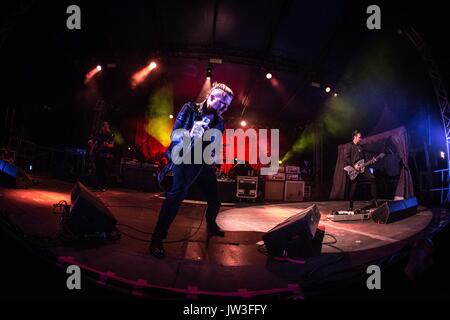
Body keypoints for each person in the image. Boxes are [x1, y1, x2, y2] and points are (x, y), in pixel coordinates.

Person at [150, 82, 234, 259]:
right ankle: (157, 239)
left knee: (215, 200)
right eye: (222, 102)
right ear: (211, 96)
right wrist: (189, 132)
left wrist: (213, 154)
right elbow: (174, 135)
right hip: (183, 156)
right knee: (175, 197)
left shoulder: (220, 121)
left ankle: (211, 226)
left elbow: (214, 144)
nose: (224, 107)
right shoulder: (190, 108)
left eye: (227, 105)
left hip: (202, 162)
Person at [345, 130, 378, 210]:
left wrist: (371, 161)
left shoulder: (361, 147)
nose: (361, 138)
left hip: (363, 168)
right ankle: (350, 206)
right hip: (354, 169)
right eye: (359, 137)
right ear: (355, 137)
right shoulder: (350, 145)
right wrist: (354, 165)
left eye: (361, 137)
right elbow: (346, 157)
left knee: (372, 179)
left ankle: (375, 201)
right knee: (353, 187)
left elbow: (364, 160)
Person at [87, 121, 115, 191]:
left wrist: (107, 145)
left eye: (105, 125)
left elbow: (112, 145)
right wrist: (91, 141)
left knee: (102, 170)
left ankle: (103, 186)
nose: (104, 127)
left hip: (104, 154)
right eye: (103, 126)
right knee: (97, 170)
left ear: (108, 126)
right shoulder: (100, 134)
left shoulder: (110, 135)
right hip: (97, 153)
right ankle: (96, 186)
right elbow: (94, 140)